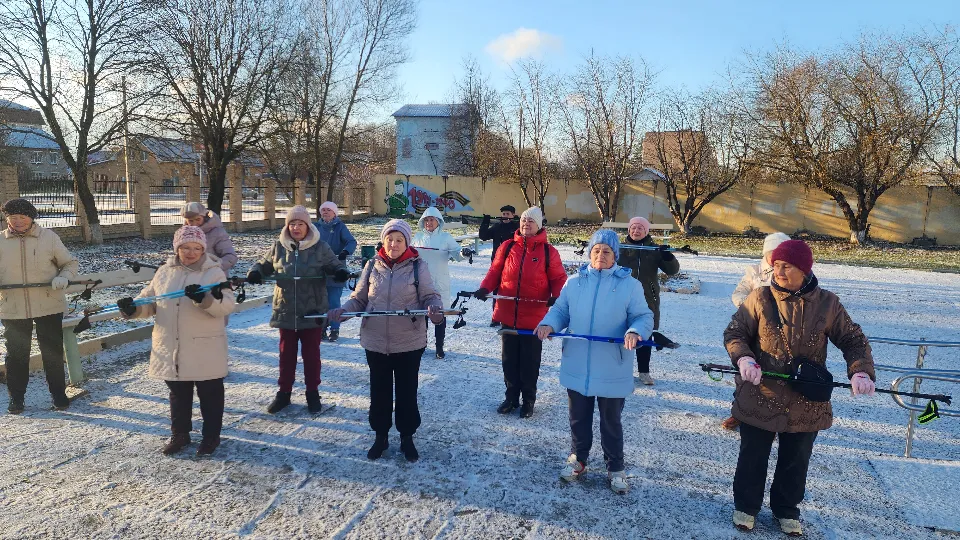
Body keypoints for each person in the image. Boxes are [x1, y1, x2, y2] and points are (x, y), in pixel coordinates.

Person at [723, 239, 875, 536]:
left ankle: (787, 509)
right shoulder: (759, 298)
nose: (778, 271)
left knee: (796, 459)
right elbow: (735, 332)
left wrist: (860, 372)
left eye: (786, 266)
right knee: (753, 455)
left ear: (804, 270)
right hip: (760, 392)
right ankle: (746, 506)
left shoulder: (828, 303)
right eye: (775, 265)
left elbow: (854, 341)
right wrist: (743, 358)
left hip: (806, 399)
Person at [536, 229, 653, 494]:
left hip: (612, 364)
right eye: (596, 250)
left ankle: (616, 467)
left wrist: (635, 331)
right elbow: (560, 311)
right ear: (590, 253)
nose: (601, 255)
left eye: (607, 251)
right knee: (578, 417)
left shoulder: (629, 285)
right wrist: (548, 324)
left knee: (611, 421)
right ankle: (578, 459)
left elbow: (643, 317)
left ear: (615, 255)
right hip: (577, 361)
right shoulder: (575, 282)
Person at [327, 219, 444, 462]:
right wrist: (343, 311)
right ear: (384, 240)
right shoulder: (372, 265)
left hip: (408, 342)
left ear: (407, 242)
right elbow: (359, 299)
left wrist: (435, 310)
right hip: (376, 341)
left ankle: (407, 437)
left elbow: (430, 296)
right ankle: (380, 436)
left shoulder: (417, 266)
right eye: (390, 239)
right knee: (379, 392)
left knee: (406, 391)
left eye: (399, 240)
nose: (394, 244)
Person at [118, 226, 236, 455]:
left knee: (210, 394)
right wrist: (133, 308)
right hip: (171, 345)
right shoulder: (164, 272)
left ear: (203, 249)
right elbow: (151, 301)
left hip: (204, 346)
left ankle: (211, 436)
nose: (191, 252)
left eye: (196, 248)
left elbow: (228, 305)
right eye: (185, 247)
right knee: (178, 393)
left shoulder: (214, 273)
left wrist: (205, 299)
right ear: (177, 248)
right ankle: (180, 434)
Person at [247, 206, 350, 415]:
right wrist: (255, 272)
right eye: (292, 224)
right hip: (285, 310)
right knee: (286, 355)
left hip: (311, 311)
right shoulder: (279, 246)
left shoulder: (319, 247)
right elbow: (263, 264)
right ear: (287, 226)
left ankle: (313, 393)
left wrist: (340, 271)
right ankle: (283, 393)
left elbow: (334, 264)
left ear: (308, 226)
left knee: (311, 355)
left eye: (300, 224)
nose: (296, 227)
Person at [474, 207, 567, 418]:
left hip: (534, 317)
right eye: (524, 221)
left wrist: (556, 295)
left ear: (539, 225)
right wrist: (484, 288)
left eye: (531, 221)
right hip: (508, 313)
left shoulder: (548, 251)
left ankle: (528, 400)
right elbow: (495, 272)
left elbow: (559, 278)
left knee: (529, 362)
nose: (526, 224)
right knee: (509, 360)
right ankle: (511, 398)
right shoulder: (507, 247)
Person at [0, 198, 78, 414]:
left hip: (48, 303)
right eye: (12, 218)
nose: (17, 222)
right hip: (13, 306)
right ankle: (16, 399)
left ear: (31, 218)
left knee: (51, 352)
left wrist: (63, 277)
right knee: (16, 354)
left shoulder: (49, 238)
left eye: (22, 218)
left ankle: (59, 394)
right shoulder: (0, 241)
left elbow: (70, 263)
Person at [722, 231, 791, 430]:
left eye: (781, 253)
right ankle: (739, 413)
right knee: (745, 374)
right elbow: (739, 293)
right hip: (754, 330)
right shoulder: (754, 272)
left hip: (784, 334)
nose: (776, 257)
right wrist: (751, 307)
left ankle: (778, 417)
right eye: (772, 253)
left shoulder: (791, 273)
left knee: (778, 377)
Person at [617, 217, 680, 386]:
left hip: (646, 299)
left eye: (640, 228)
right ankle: (619, 371)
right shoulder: (620, 249)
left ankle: (644, 372)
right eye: (633, 228)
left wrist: (667, 256)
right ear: (629, 230)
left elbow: (672, 270)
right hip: (621, 299)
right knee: (619, 333)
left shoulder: (653, 250)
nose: (636, 231)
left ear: (646, 231)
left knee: (644, 335)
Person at [411, 207, 468, 359]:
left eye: (432, 219)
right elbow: (406, 253)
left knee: (439, 315)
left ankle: (439, 347)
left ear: (439, 222)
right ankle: (421, 345)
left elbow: (457, 253)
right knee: (422, 315)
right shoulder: (416, 237)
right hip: (420, 282)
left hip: (439, 282)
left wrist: (464, 253)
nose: (429, 222)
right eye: (427, 220)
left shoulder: (446, 238)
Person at [314, 201, 357, 342]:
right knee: (320, 302)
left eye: (328, 210)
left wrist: (345, 251)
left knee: (333, 301)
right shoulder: (315, 227)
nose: (325, 212)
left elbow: (351, 241)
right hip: (319, 270)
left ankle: (334, 328)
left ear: (334, 213)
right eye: (323, 210)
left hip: (336, 270)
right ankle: (321, 328)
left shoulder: (340, 227)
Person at [478, 205, 520, 327]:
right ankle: (496, 317)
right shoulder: (497, 227)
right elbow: (484, 236)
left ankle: (510, 317)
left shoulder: (517, 228)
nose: (505, 216)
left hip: (513, 264)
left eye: (508, 214)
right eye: (503, 214)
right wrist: (485, 222)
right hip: (497, 263)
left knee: (510, 290)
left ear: (513, 215)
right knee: (496, 290)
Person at [181, 202, 238, 273]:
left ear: (204, 217)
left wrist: (214, 267)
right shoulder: (184, 234)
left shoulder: (217, 232)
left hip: (214, 279)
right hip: (191, 277)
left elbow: (230, 257)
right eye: (190, 221)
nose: (194, 224)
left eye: (198, 219)